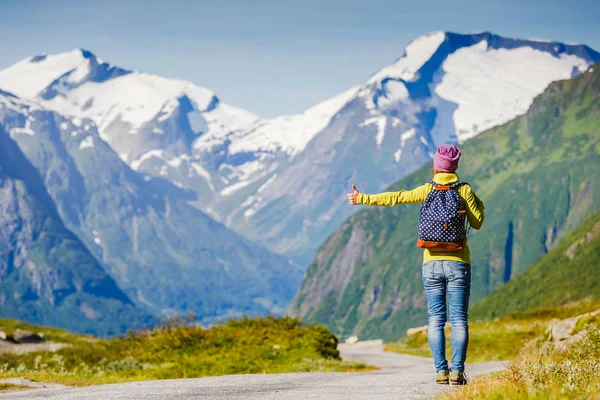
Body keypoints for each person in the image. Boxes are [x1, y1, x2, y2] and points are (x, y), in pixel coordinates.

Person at [346, 145, 484, 386]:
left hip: (431, 264)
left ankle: (441, 371)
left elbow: (396, 197)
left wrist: (362, 198)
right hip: (458, 263)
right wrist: (476, 202)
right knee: (459, 320)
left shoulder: (426, 190)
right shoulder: (464, 190)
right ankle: (457, 372)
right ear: (455, 167)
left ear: (436, 166)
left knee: (435, 320)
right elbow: (478, 222)